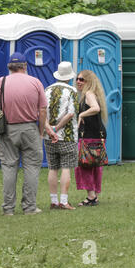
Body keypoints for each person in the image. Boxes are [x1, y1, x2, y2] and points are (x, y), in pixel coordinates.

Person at [0, 52, 48, 216]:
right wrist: (40, 131)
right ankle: (29, 207)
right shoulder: (35, 82)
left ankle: (8, 209)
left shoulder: (1, 82)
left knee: (8, 167)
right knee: (32, 168)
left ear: (9, 67)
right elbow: (42, 110)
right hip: (30, 129)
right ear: (25, 66)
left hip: (7, 129)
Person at [44, 62, 79, 210]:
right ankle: (64, 201)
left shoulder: (47, 90)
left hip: (48, 136)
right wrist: (57, 128)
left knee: (52, 168)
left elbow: (41, 112)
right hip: (67, 135)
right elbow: (71, 113)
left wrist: (50, 130)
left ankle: (53, 200)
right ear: (70, 76)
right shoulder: (72, 91)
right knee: (66, 167)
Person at [74, 70, 108, 206]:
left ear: (88, 81)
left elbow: (95, 108)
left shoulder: (88, 94)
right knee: (95, 166)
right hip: (98, 136)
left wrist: (81, 115)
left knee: (84, 165)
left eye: (82, 79)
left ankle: (91, 196)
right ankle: (94, 195)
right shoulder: (93, 94)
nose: (78, 82)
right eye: (77, 79)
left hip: (89, 136)